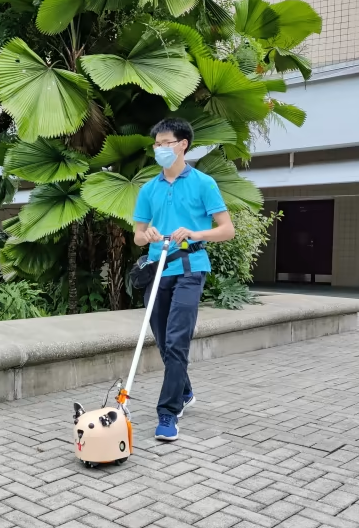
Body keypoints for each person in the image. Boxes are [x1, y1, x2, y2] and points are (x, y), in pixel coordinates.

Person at [133, 118, 235, 441]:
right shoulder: (149, 189)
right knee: (164, 341)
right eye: (156, 144)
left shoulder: (203, 183)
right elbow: (137, 235)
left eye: (166, 143)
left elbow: (227, 229)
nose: (160, 149)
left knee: (177, 339)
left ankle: (168, 412)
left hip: (191, 267)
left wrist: (195, 232)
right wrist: (145, 234)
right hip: (156, 268)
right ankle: (185, 390)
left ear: (183, 144)